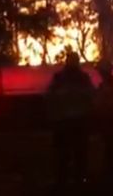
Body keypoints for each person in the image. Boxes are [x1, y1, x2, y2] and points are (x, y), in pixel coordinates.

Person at [46, 52, 95, 189]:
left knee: (69, 153)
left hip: (68, 121)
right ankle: (75, 179)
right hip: (73, 121)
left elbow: (50, 96)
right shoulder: (80, 78)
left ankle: (67, 180)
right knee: (73, 153)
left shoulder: (62, 78)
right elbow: (91, 96)